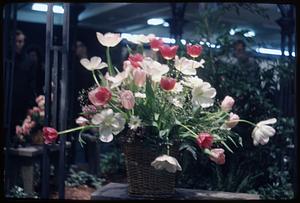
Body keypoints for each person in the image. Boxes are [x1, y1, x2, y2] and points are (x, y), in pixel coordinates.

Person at [11, 30, 37, 138]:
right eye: (16, 41)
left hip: (22, 101)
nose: (19, 44)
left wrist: (30, 103)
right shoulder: (8, 59)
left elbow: (31, 83)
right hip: (10, 99)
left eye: (21, 41)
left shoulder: (29, 61)